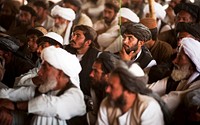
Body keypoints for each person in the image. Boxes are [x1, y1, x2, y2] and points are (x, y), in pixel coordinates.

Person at [0, 46, 86, 125]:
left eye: (44, 67)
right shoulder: (42, 89)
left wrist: (15, 106)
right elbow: (5, 93)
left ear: (59, 73)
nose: (39, 72)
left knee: (45, 115)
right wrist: (4, 109)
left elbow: (48, 105)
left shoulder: (75, 95)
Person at [96, 61, 171, 125]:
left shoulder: (148, 107)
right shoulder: (106, 103)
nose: (107, 90)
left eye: (112, 87)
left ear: (129, 89)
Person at [148, 37, 200, 123]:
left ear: (192, 66)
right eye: (177, 56)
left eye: (180, 58)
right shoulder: (178, 76)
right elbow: (150, 89)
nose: (174, 61)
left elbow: (168, 102)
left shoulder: (197, 85)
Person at [65, 25, 100, 97]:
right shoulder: (66, 50)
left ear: (88, 42)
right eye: (73, 35)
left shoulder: (96, 57)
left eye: (78, 36)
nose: (73, 38)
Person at [87, 51, 119, 124]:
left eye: (95, 71)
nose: (91, 74)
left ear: (108, 75)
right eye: (92, 70)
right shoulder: (96, 85)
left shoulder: (116, 97)